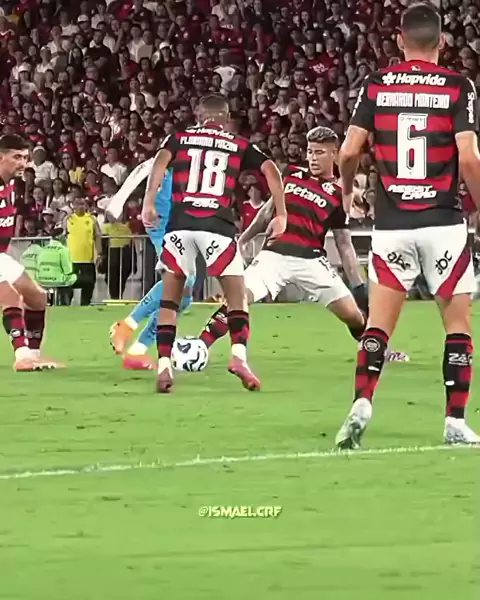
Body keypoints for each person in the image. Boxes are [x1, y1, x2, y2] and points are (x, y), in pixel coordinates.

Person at [336, 3, 480, 448]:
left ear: (399, 41)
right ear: (443, 42)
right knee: (457, 326)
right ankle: (455, 421)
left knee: (378, 326)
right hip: (442, 222)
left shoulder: (377, 84)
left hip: (392, 223)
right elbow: (470, 157)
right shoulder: (458, 87)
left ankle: (362, 402)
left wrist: (347, 189)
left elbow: (348, 151)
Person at [142, 93, 287, 393]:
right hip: (216, 227)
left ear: (199, 115)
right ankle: (238, 357)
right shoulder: (237, 143)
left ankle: (165, 366)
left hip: (180, 226)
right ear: (226, 117)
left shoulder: (179, 138)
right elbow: (271, 169)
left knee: (169, 302)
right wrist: (282, 213)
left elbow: (159, 162)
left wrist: (148, 202)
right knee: (237, 298)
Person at [198, 126, 369, 347]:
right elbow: (267, 212)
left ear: (334, 154)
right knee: (239, 299)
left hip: (312, 261)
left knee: (354, 317)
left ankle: (375, 349)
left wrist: (358, 286)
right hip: (274, 255)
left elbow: (344, 245)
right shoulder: (291, 175)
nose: (312, 158)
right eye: (310, 151)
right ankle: (198, 346)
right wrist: (244, 239)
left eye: (319, 152)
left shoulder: (339, 194)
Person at [109, 159, 195, 370]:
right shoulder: (174, 151)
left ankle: (137, 351)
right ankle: (126, 325)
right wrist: (117, 202)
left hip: (183, 224)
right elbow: (143, 169)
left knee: (183, 297)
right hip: (162, 220)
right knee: (182, 277)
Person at [0, 134, 62, 370]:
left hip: (1, 255)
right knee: (11, 297)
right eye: (17, 157)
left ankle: (33, 355)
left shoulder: (11, 184)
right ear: (1, 157)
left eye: (25, 158)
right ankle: (22, 355)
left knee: (37, 297)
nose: (23, 163)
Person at [65, 196, 102, 305]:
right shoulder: (68, 219)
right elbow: (62, 235)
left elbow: (97, 236)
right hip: (71, 259)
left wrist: (99, 253)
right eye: (78, 204)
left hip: (87, 258)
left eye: (82, 204)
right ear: (73, 206)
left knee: (89, 284)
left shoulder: (92, 219)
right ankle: (66, 305)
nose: (80, 206)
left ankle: (85, 305)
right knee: (69, 284)